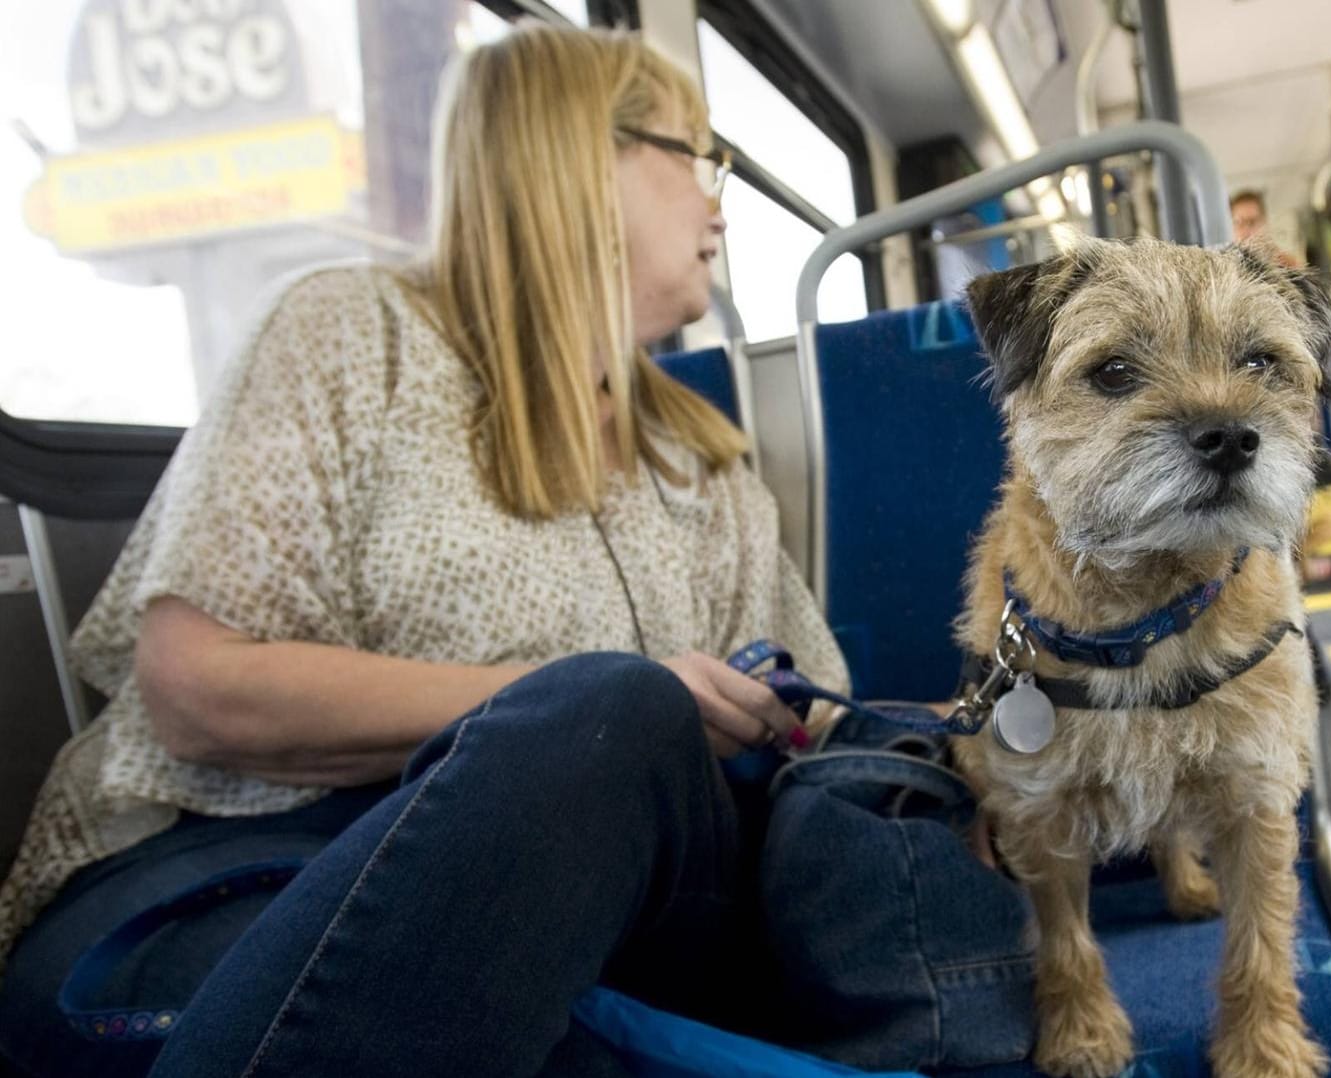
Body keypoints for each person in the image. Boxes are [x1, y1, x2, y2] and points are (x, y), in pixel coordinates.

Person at [0, 24, 849, 1078]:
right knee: (608, 715)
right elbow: (195, 687)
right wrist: (561, 704)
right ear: (577, 155)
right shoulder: (352, 333)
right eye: (694, 154)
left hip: (584, 910)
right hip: (239, 864)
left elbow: (815, 708)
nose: (720, 199)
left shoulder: (703, 460)